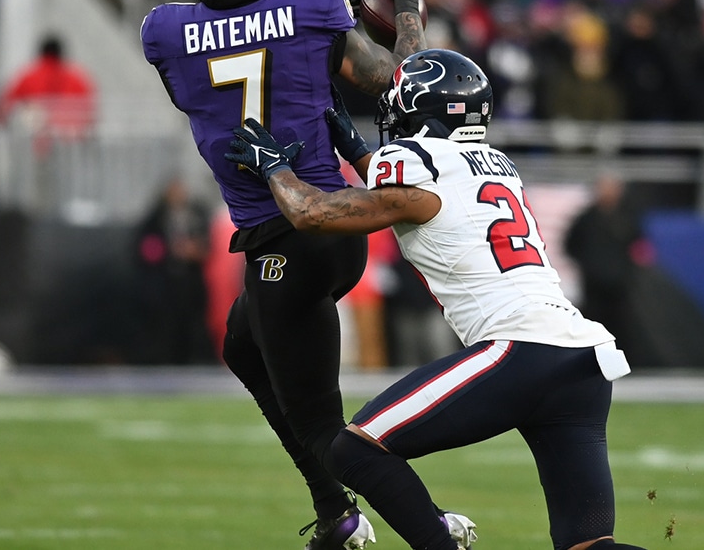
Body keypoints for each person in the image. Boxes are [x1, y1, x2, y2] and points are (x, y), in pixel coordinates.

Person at [227, 49, 644, 550]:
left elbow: (312, 213)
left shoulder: (418, 166)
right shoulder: (492, 162)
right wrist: (355, 146)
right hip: (580, 359)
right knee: (589, 547)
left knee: (354, 449)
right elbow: (417, 196)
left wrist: (275, 171)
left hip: (519, 351)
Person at [138, 0, 433, 550]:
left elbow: (211, 79)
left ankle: (427, 525)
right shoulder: (314, 6)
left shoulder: (164, 31)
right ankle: (334, 512)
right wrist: (405, 6)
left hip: (285, 239)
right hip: (333, 228)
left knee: (324, 426)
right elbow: (394, 81)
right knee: (242, 345)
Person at [563, 171, 647, 364]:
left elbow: (639, 246)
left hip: (620, 285)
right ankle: (591, 360)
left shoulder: (627, 216)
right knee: (593, 322)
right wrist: (587, 264)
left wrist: (630, 268)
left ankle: (624, 361)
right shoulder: (586, 218)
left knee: (622, 323)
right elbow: (570, 245)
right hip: (593, 285)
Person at [132, 177, 214, 365]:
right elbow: (145, 249)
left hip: (190, 282)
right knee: (165, 326)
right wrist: (170, 250)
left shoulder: (196, 215)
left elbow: (207, 247)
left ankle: (192, 361)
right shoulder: (156, 219)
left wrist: (194, 251)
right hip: (165, 283)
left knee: (192, 325)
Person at [0, 35, 97, 148]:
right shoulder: (77, 78)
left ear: (41, 54)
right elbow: (90, 111)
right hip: (70, 144)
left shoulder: (28, 76)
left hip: (36, 146)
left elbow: (3, 107)